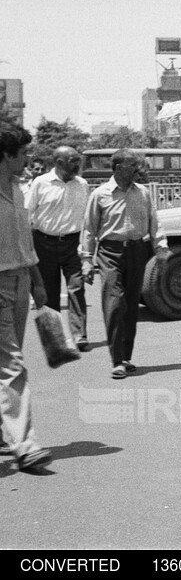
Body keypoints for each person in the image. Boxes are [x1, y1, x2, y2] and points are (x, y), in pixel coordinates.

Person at [81, 150, 170, 379]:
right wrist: (87, 260)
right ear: (119, 167)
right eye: (133, 165)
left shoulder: (143, 193)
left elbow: (154, 222)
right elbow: (89, 229)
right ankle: (117, 360)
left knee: (130, 306)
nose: (138, 170)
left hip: (138, 250)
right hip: (110, 253)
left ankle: (126, 356)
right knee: (115, 303)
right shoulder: (100, 194)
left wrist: (161, 249)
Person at [0, 121, 53, 472]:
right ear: (5, 156)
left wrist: (36, 281)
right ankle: (25, 444)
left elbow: (26, 240)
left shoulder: (19, 189)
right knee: (12, 364)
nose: (27, 158)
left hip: (20, 281)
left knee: (5, 363)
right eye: (22, 153)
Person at [25, 146, 90, 351]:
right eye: (73, 160)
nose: (77, 165)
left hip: (72, 244)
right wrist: (27, 246)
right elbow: (28, 214)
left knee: (76, 288)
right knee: (48, 293)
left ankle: (79, 335)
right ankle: (54, 340)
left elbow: (86, 219)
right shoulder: (40, 183)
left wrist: (86, 248)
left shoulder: (82, 184)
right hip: (44, 242)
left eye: (77, 160)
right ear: (59, 162)